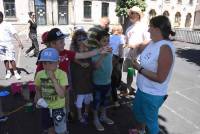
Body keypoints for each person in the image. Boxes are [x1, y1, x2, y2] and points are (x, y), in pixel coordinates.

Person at [129, 15, 176, 134]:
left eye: (150, 27)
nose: (148, 30)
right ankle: (140, 131)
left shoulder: (165, 48)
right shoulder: (152, 42)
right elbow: (137, 47)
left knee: (151, 123)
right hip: (142, 89)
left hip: (153, 94)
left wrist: (139, 68)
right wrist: (134, 53)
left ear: (157, 29)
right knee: (138, 113)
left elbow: (160, 78)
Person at [35, 48, 68, 134]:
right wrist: (39, 100)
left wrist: (53, 78)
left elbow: (62, 95)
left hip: (58, 108)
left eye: (50, 63)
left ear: (57, 62)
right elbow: (37, 89)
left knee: (61, 129)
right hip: (45, 107)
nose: (47, 66)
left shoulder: (62, 74)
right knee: (49, 127)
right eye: (44, 63)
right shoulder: (39, 74)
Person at [122, 6, 151, 96]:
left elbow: (148, 40)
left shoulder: (143, 26)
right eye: (130, 13)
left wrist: (135, 46)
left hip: (140, 56)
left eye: (132, 13)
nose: (130, 15)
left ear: (138, 15)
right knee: (130, 73)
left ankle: (141, 92)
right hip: (130, 55)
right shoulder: (129, 28)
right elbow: (127, 41)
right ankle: (128, 89)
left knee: (141, 74)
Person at [92, 29, 114, 131]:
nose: (107, 43)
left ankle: (103, 116)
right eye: (104, 41)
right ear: (98, 42)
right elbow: (96, 67)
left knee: (105, 102)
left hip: (107, 82)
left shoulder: (110, 50)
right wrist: (102, 55)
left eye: (108, 40)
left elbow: (110, 64)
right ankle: (96, 119)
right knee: (96, 102)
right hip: (98, 83)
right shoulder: (95, 52)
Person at [70, 29, 93, 124]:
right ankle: (79, 115)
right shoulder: (74, 48)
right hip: (78, 74)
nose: (82, 41)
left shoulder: (89, 47)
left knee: (88, 94)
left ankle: (86, 112)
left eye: (84, 38)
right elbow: (73, 57)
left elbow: (93, 54)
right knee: (80, 94)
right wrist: (80, 63)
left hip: (88, 74)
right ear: (75, 41)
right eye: (79, 39)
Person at [0, 11, 24, 80]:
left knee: (12, 59)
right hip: (1, 45)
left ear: (1, 17)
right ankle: (8, 72)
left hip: (8, 44)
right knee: (5, 59)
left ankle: (16, 73)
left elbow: (14, 33)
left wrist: (19, 41)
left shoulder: (7, 24)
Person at [109, 24, 125, 106]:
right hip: (117, 58)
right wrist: (118, 59)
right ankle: (115, 100)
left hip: (109, 57)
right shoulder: (121, 37)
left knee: (111, 76)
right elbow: (121, 51)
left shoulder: (110, 37)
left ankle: (111, 94)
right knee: (116, 77)